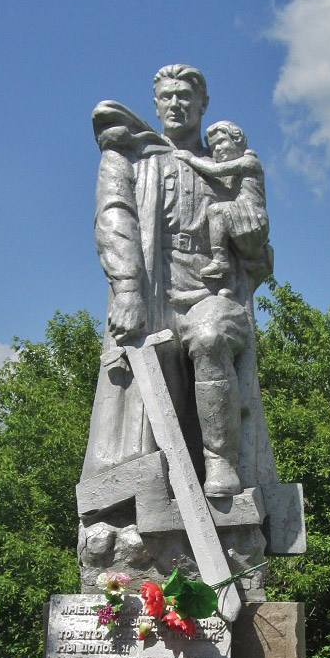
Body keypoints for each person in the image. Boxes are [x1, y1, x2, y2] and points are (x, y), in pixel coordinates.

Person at [81, 64, 278, 506]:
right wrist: (128, 289)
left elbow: (259, 255)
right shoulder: (130, 156)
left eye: (186, 96)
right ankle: (146, 500)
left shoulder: (226, 163)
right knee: (151, 404)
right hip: (152, 289)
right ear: (155, 103)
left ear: (203, 105)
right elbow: (113, 218)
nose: (176, 104)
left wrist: (250, 232)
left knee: (210, 339)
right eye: (167, 96)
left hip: (212, 286)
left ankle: (221, 462)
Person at [174, 120, 268, 281]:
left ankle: (220, 259)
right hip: (241, 213)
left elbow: (214, 169)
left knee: (215, 210)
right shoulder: (237, 169)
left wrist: (189, 158)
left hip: (251, 213)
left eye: (221, 142)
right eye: (213, 147)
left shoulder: (249, 161)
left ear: (237, 139)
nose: (217, 149)